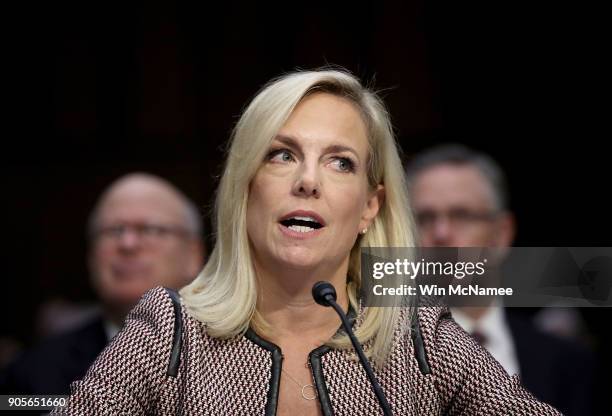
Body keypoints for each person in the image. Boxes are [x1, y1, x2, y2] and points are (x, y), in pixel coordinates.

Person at [52, 69, 560, 415]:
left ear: (369, 207)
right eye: (281, 155)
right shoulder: (169, 330)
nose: (308, 181)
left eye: (341, 162)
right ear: (245, 187)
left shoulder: (420, 336)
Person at [406, 144, 594, 415]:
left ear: (501, 234)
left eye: (461, 215)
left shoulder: (570, 364)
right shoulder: (378, 362)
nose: (442, 233)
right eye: (424, 218)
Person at [0, 173, 205, 396]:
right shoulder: (32, 374)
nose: (127, 244)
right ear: (90, 257)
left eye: (150, 229)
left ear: (193, 254)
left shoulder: (239, 360)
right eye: (113, 231)